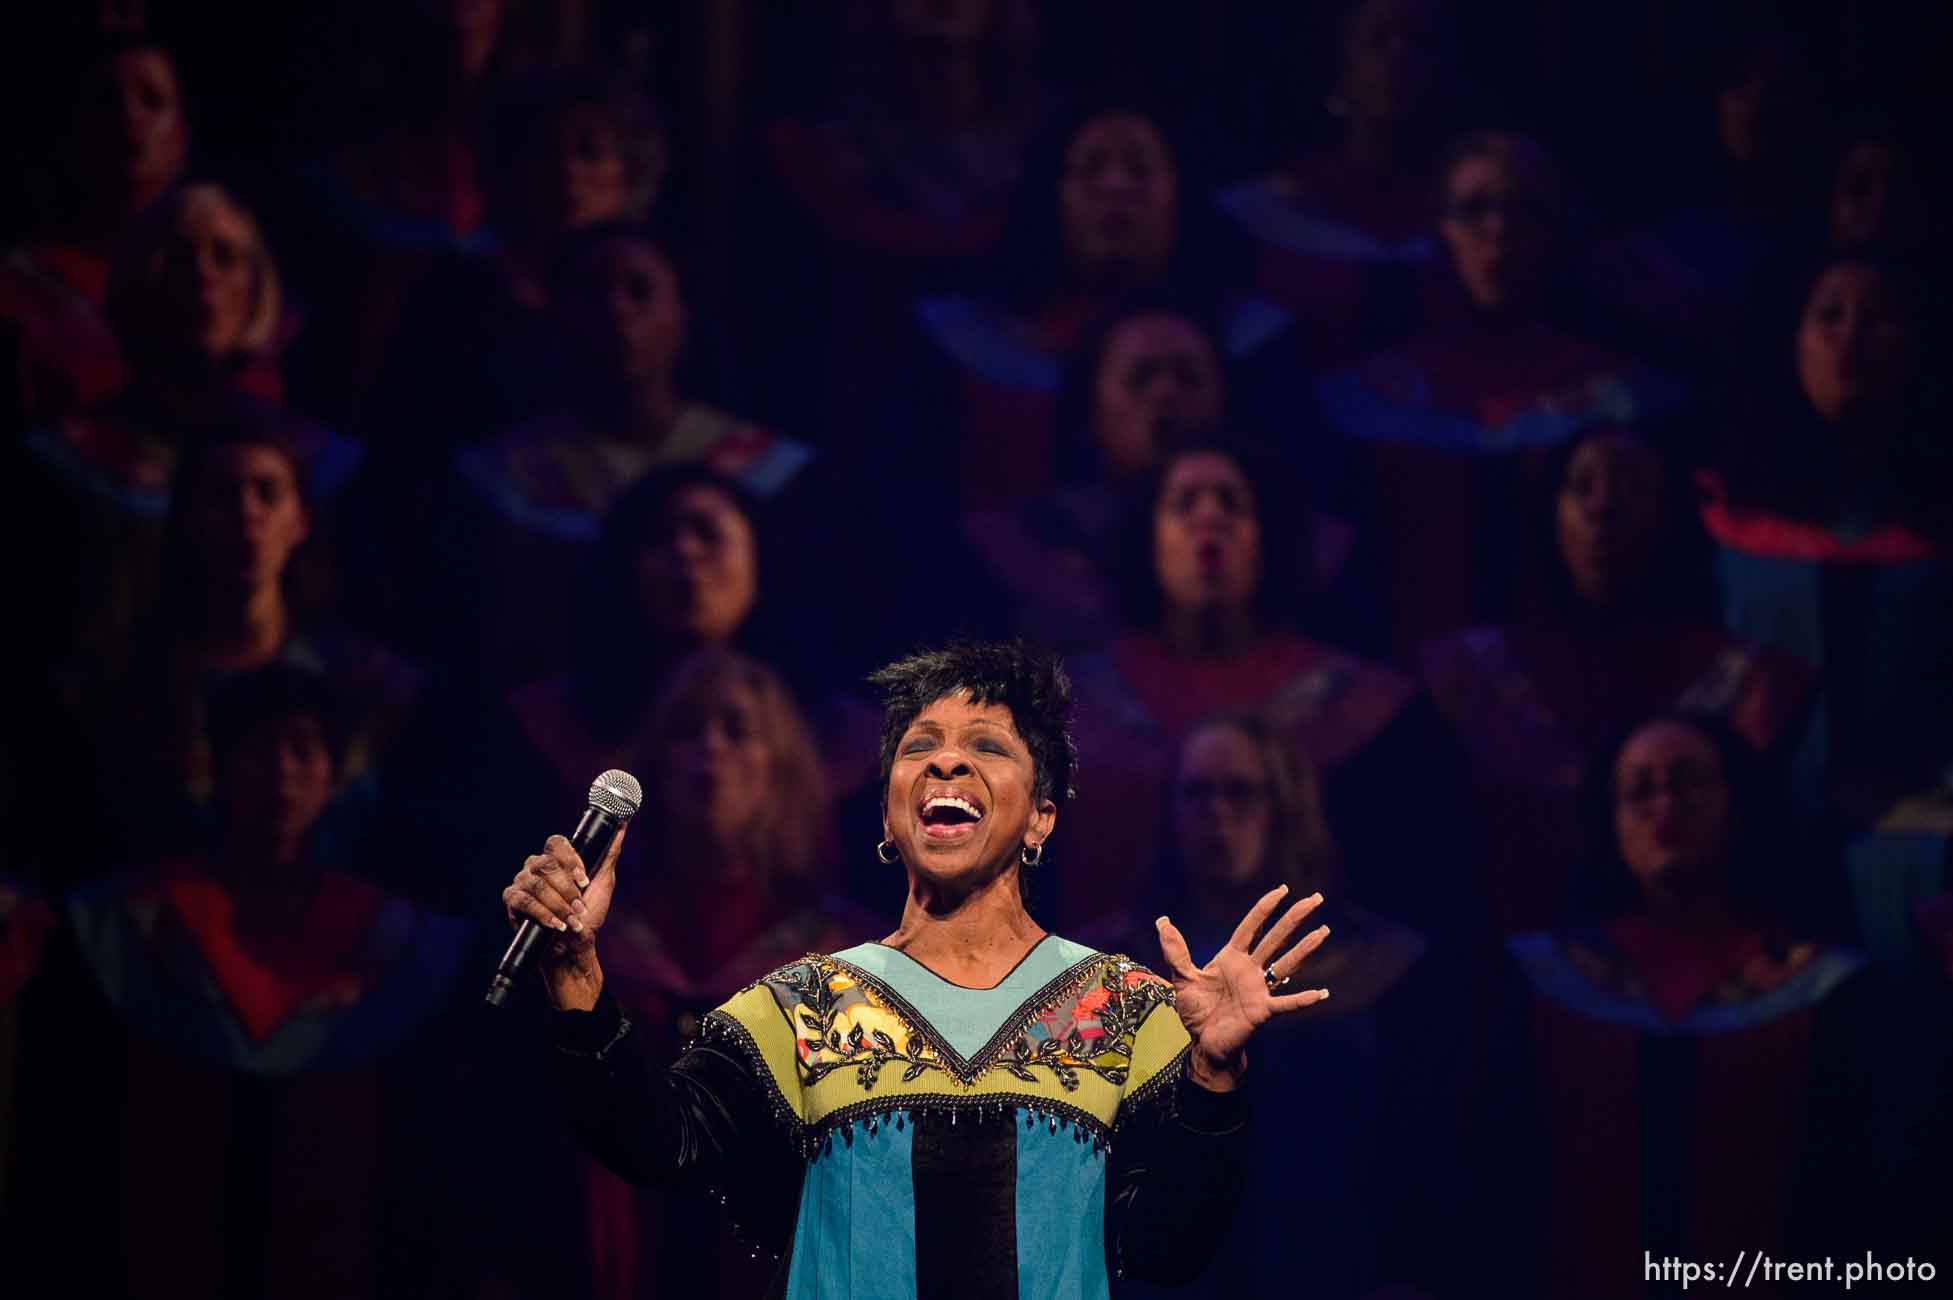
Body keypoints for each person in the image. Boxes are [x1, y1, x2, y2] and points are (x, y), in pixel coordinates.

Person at [500, 639, 1333, 1297]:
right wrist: (574, 969)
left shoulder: (1126, 1013)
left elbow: (1170, 1249)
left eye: (987, 747)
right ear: (890, 817)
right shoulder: (800, 1007)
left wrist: (1214, 1076)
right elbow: (649, 1143)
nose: (946, 762)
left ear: (1042, 816)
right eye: (919, 746)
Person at [11, 664, 479, 1299]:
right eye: (259, 749)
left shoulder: (386, 940)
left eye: (303, 749)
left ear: (333, 777)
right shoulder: (138, 925)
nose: (281, 772)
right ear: (218, 767)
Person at [1477, 713, 1929, 1298]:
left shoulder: (1829, 991)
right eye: (1639, 790)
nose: (1663, 804)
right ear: (1609, 822)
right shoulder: (1539, 981)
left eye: (1687, 783)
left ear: (1737, 805)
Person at [1114, 712, 1465, 1300]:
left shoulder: (1380, 965)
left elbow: (1424, 1140)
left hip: (1335, 1262)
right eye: (1196, 793)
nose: (1218, 813)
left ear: (1284, 803)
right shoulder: (1115, 964)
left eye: (1241, 792)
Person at [1062, 442, 1471, 944]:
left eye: (1233, 503)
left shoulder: (1367, 704)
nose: (1209, 517)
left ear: (1269, 539)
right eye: (1184, 503)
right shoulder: (1068, 705)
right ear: (1147, 539)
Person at [1313, 131, 1690, 658]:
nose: (1499, 232)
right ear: (1441, 230)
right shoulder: (1369, 396)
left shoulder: (1625, 394)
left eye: (1523, 211)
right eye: (1474, 210)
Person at [1421, 427, 1814, 932]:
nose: (1602, 508)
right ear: (1549, 511)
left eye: (1630, 487)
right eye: (1581, 487)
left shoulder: (1752, 682)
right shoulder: (1468, 672)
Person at [887, 102, 1283, 513]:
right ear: (1051, 194)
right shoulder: (965, 340)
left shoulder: (1253, 342)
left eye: (1140, 168)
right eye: (1091, 168)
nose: (1115, 186)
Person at [1699, 251, 1951, 826]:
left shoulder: (1938, 523)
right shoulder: (1725, 509)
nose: (1851, 339)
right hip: (1744, 820)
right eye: (1829, 316)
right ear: (1794, 340)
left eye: (1878, 320)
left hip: (1922, 833)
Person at [1214, 0, 1452, 368]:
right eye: (1379, 39)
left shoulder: (1479, 220)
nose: (1399, 56)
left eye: (1417, 40)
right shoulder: (1255, 217)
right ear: (1339, 69)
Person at [1, 35, 190, 426]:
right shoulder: (20, 285)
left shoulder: (224, 290)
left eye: (152, 100)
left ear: (181, 136)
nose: (129, 116)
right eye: (107, 100)